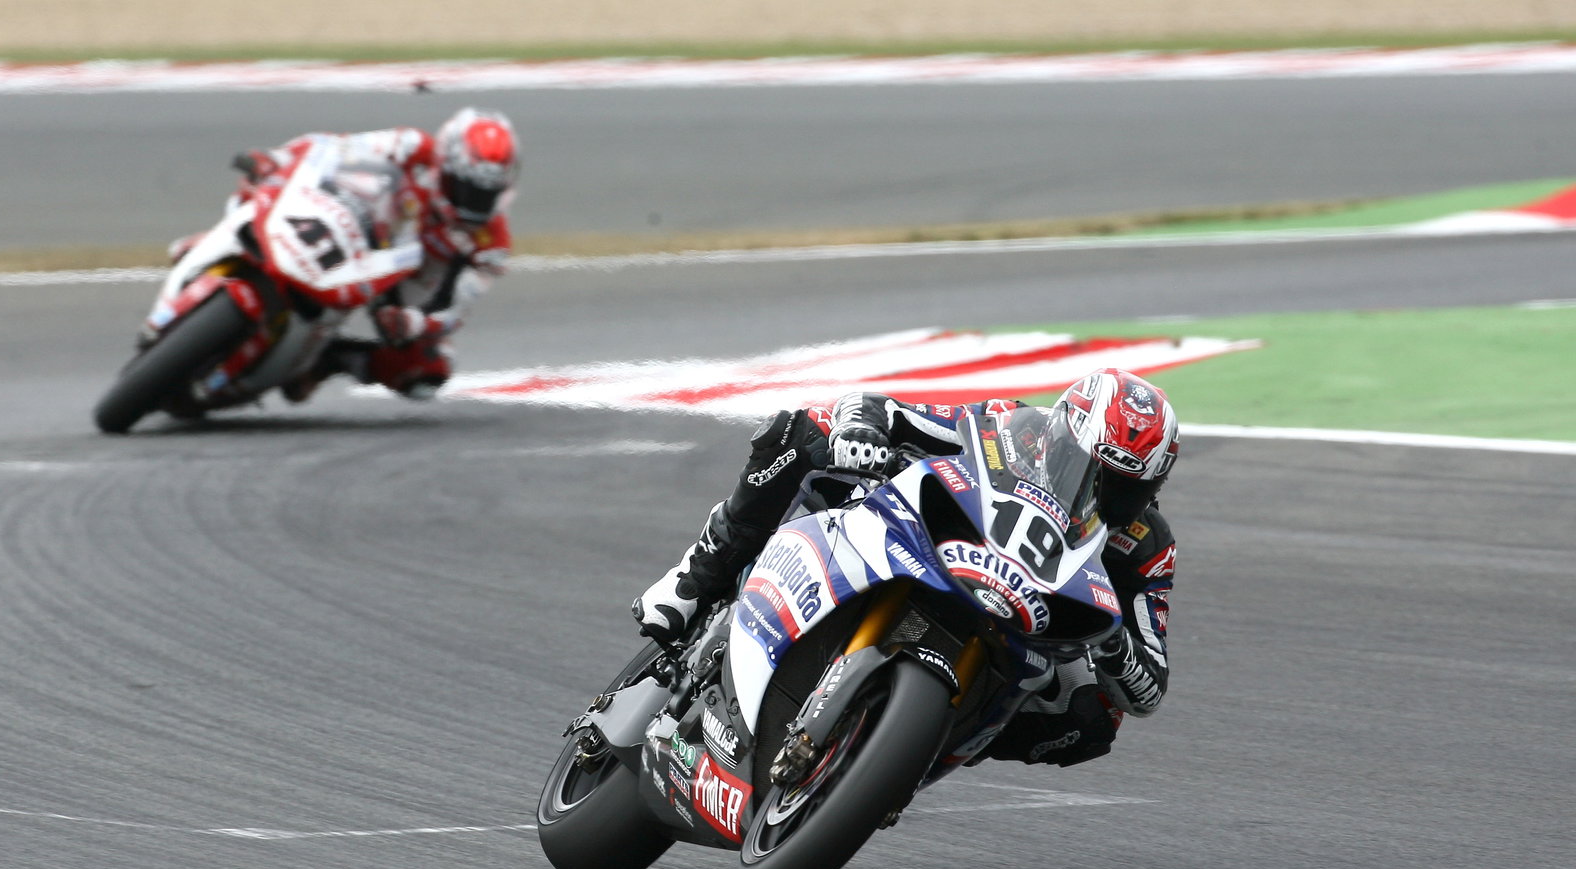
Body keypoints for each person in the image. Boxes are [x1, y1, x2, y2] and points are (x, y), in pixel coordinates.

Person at [632, 369, 1179, 769]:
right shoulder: (1011, 428)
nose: (1099, 493)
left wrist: (1114, 645)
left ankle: (917, 747)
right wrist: (862, 433)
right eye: (1090, 469)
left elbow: (1149, 688)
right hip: (931, 544)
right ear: (1060, 435)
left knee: (1093, 716)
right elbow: (880, 408)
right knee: (803, 432)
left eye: (1123, 488)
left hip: (1024, 625)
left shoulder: (1146, 546)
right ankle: (694, 581)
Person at [216, 107, 520, 401]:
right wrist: (279, 158)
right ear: (444, 163)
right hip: (358, 229)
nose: (473, 201)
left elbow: (457, 307)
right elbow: (332, 148)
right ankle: (215, 245)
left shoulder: (491, 244)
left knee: (429, 368)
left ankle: (329, 360)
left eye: (485, 193)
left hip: (400, 288)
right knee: (256, 190)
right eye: (465, 187)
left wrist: (413, 322)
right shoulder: (411, 145)